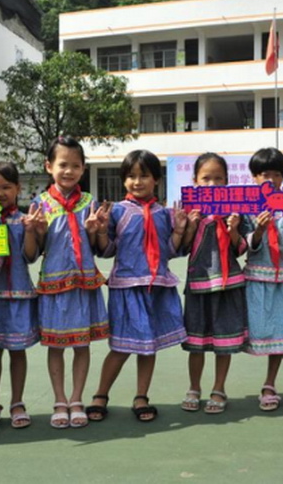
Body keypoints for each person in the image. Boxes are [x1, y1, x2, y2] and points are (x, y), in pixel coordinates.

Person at [86, 150, 188, 422]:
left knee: (148, 346)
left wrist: (179, 230)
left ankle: (142, 396)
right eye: (131, 176)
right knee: (120, 347)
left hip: (157, 287)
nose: (137, 181)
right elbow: (107, 250)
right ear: (123, 180)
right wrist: (101, 230)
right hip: (127, 288)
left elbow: (169, 251)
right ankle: (100, 394)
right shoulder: (117, 211)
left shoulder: (165, 213)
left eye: (144, 175)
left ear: (156, 179)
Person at [26, 136, 109, 429]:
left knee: (82, 344)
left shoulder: (89, 203)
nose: (69, 171)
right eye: (63, 164)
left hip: (84, 284)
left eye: (75, 165)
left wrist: (96, 231)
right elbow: (32, 254)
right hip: (55, 284)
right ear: (49, 166)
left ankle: (77, 399)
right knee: (57, 345)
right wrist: (35, 231)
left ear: (83, 169)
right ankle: (60, 400)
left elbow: (99, 248)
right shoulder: (40, 204)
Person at [179, 153, 248, 414]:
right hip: (198, 285)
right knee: (196, 342)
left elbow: (241, 248)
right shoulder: (188, 210)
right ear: (194, 180)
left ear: (227, 181)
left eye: (218, 178)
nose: (212, 184)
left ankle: (219, 388)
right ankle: (193, 387)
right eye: (205, 178)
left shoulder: (235, 209)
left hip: (228, 284)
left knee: (224, 341)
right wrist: (189, 226)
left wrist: (233, 229)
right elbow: (181, 248)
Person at [0, 162, 40, 432]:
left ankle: (17, 403)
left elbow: (30, 256)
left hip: (18, 296)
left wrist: (30, 230)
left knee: (17, 351)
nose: (0, 193)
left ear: (18, 188)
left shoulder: (24, 220)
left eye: (6, 187)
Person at [240, 147, 283, 411]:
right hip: (257, 278)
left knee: (281, 332)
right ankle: (219, 388)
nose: (272, 180)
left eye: (277, 175)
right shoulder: (247, 209)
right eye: (265, 174)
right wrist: (258, 230)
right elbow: (244, 245)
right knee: (254, 330)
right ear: (254, 177)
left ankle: (269, 384)